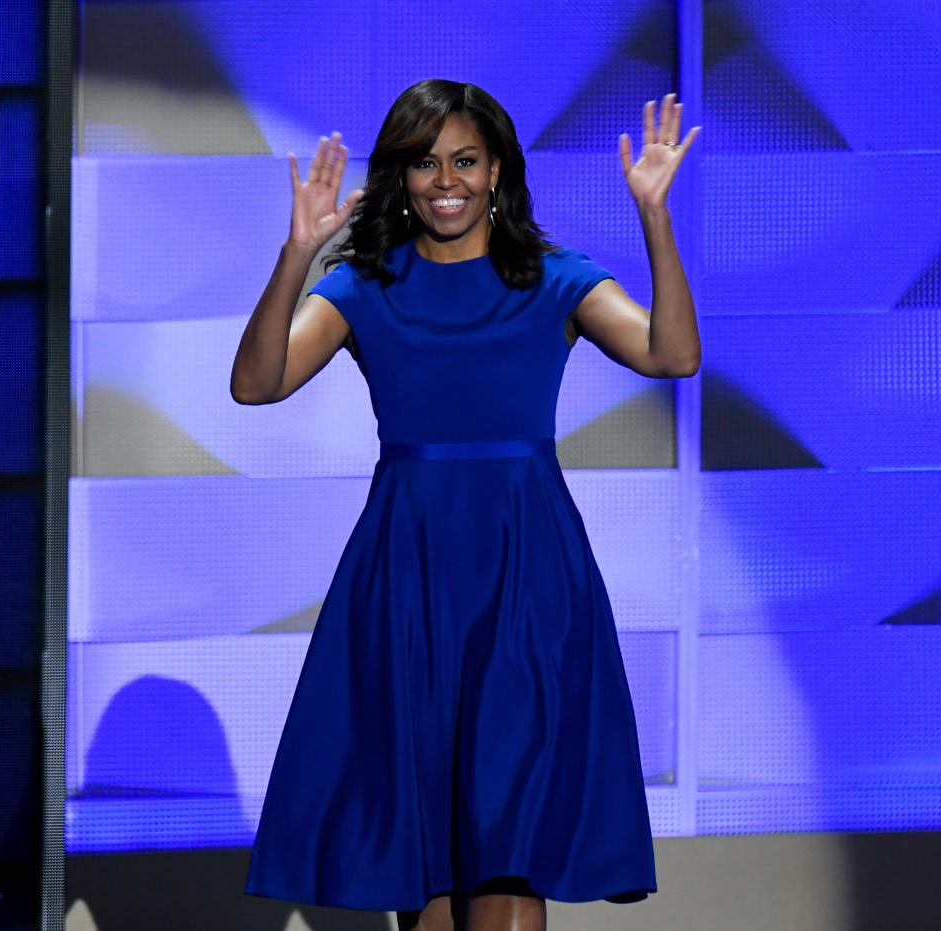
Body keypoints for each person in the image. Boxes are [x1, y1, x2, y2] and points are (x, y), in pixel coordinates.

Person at [232, 79, 700, 931]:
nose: (445, 180)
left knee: (507, 833)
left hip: (526, 579)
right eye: (423, 163)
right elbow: (255, 384)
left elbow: (671, 355)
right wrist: (299, 251)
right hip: (406, 577)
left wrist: (655, 218)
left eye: (464, 161)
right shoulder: (366, 285)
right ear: (400, 177)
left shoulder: (551, 279)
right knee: (433, 859)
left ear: (496, 174)